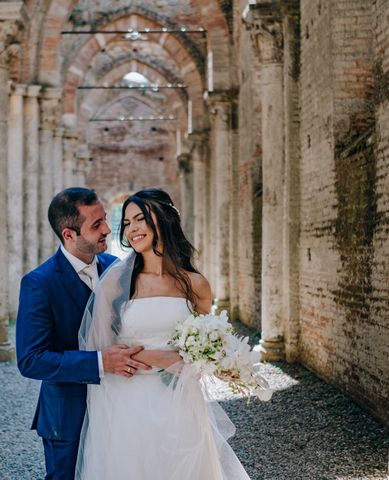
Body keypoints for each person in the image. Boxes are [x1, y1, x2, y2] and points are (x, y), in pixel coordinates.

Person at [76, 188, 250, 480]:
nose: (132, 229)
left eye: (140, 219)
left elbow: (205, 349)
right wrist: (160, 356)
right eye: (127, 223)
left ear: (164, 221)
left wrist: (225, 365)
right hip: (127, 401)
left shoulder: (196, 285)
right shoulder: (116, 284)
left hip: (180, 404)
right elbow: (102, 351)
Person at [16, 188, 151, 480]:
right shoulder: (39, 283)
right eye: (96, 225)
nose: (106, 229)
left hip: (122, 406)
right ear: (69, 235)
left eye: (104, 219)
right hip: (68, 416)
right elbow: (31, 360)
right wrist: (101, 363)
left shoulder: (116, 269)